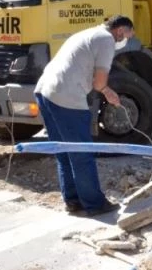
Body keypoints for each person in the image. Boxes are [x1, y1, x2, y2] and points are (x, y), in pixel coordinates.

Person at [34, 14, 135, 216]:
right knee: (82, 152)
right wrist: (109, 92)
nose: (126, 41)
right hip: (66, 96)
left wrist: (105, 90)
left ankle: (73, 200)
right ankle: (95, 204)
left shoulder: (88, 33)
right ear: (120, 31)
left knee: (63, 150)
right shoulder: (106, 40)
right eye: (128, 36)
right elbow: (99, 83)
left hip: (44, 91)